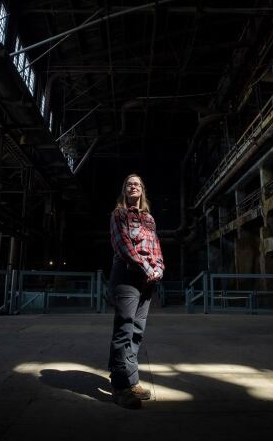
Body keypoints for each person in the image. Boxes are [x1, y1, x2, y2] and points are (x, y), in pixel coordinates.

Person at [107, 173, 165, 409]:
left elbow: (156, 246)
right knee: (124, 329)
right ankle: (120, 386)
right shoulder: (119, 214)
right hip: (127, 274)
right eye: (129, 184)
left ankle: (132, 379)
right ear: (125, 190)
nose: (133, 187)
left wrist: (158, 269)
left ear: (142, 191)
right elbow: (122, 244)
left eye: (137, 184)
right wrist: (145, 267)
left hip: (147, 278)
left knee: (137, 331)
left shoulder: (149, 219)